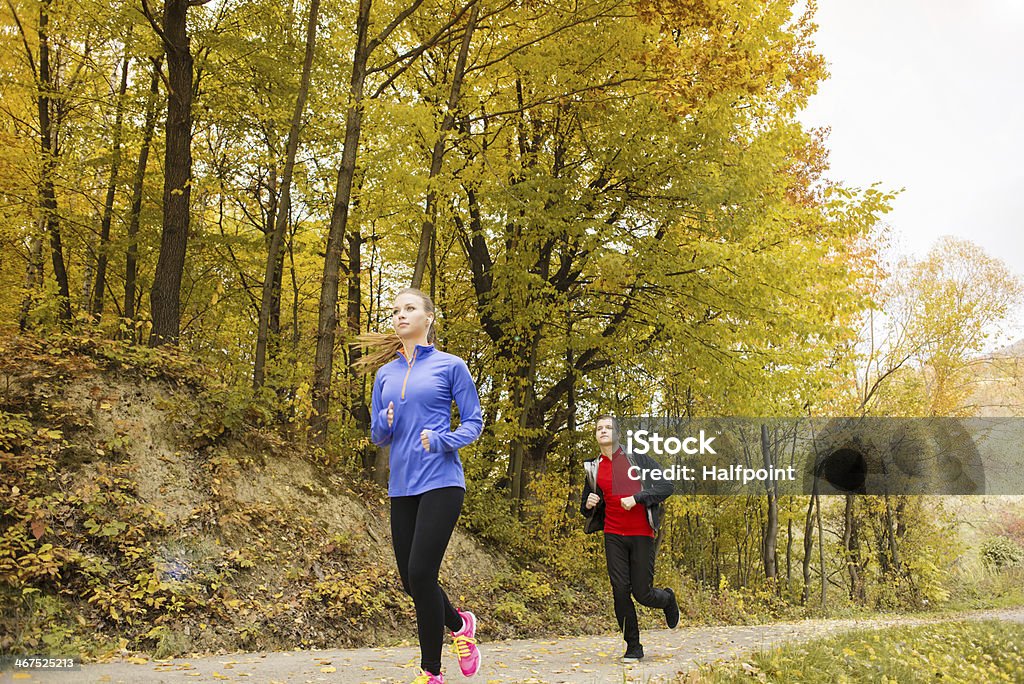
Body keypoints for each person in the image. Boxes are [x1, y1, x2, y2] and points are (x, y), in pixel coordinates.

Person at [361, 287, 484, 684]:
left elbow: (473, 423)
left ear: (428, 318)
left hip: (442, 481)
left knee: (421, 570)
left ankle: (431, 672)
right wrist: (387, 420)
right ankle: (460, 624)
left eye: (409, 308)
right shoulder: (386, 373)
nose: (400, 315)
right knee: (410, 579)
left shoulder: (452, 366)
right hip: (402, 485)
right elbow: (378, 436)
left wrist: (444, 439)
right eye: (395, 310)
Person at [580, 414, 680, 663]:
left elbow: (666, 487)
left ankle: (667, 598)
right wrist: (589, 503)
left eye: (608, 427)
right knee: (620, 590)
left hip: (641, 534)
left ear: (618, 433)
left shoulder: (638, 459)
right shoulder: (593, 468)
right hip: (613, 534)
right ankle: (633, 646)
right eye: (599, 428)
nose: (603, 431)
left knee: (642, 593)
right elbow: (586, 507)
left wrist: (637, 498)